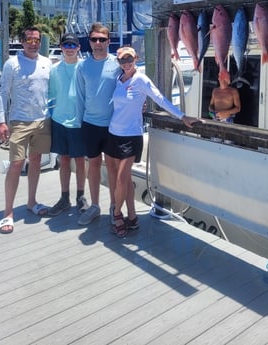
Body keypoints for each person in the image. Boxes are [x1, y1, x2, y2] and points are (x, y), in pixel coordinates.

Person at [106, 46, 198, 238]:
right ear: (119, 63)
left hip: (131, 136)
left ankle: (116, 214)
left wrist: (182, 116)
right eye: (122, 60)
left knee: (122, 178)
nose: (126, 63)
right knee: (122, 180)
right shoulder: (118, 79)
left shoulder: (141, 79)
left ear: (136, 57)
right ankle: (132, 216)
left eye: (129, 59)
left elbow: (160, 99)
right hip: (113, 133)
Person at [0, 27, 52, 234]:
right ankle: (8, 213)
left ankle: (31, 202)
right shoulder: (12, 64)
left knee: (36, 161)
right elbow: (2, 93)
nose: (33, 43)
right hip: (19, 121)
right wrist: (1, 122)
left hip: (43, 121)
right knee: (16, 164)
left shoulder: (47, 63)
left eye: (36, 39)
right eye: (29, 39)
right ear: (22, 41)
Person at [75, 23, 120, 226]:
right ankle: (94, 205)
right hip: (90, 124)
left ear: (108, 41)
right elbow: (79, 97)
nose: (98, 43)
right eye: (94, 39)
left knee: (111, 166)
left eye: (102, 39)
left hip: (113, 126)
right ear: (89, 42)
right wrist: (79, 123)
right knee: (92, 165)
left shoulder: (118, 63)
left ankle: (113, 206)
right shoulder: (82, 66)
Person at [48, 33, 88, 217]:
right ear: (61, 48)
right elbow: (51, 94)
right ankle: (64, 198)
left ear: (78, 47)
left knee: (80, 160)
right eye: (66, 45)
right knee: (63, 160)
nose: (70, 48)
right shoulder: (55, 69)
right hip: (59, 120)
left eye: (73, 45)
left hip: (79, 121)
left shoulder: (85, 67)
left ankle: (81, 196)